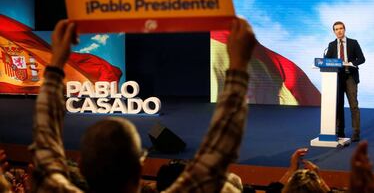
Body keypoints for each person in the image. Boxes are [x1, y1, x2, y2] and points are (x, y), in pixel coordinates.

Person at [29, 17, 256, 193]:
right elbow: (218, 153)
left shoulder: (54, 187)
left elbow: (44, 143)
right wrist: (238, 64)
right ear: (141, 166)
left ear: (82, 166)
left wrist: (57, 61)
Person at [325, 21, 365, 142]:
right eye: (336, 29)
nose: (339, 31)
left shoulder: (353, 43)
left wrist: (352, 63)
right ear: (334, 31)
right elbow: (327, 61)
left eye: (341, 28)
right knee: (338, 105)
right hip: (337, 78)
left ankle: (356, 132)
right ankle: (340, 130)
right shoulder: (331, 45)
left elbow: (362, 59)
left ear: (344, 29)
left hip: (350, 77)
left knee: (353, 105)